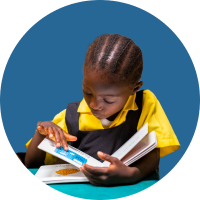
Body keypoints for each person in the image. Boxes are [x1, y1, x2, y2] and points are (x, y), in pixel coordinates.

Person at [25, 34, 180, 186]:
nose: (94, 104)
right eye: (87, 92)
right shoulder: (70, 117)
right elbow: (32, 165)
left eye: (108, 100)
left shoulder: (145, 103)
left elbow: (153, 152)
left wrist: (133, 174)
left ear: (134, 88)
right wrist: (40, 134)